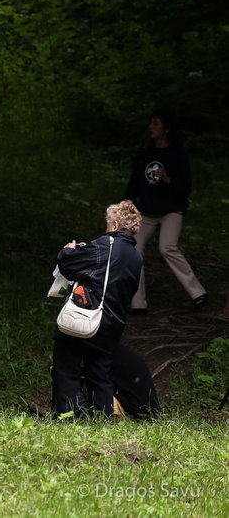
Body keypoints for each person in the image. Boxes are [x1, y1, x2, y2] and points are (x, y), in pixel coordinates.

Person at [51, 201, 143, 418]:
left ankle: (64, 419)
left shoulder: (106, 244)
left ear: (114, 224)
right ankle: (103, 422)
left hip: (86, 316)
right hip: (113, 324)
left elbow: (69, 265)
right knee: (100, 376)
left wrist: (69, 250)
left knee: (65, 369)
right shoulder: (136, 257)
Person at [125, 108, 207, 313]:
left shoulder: (177, 155)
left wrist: (168, 180)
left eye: (156, 124)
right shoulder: (145, 153)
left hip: (171, 210)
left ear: (167, 129)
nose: (151, 127)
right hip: (146, 212)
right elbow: (133, 183)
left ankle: (198, 293)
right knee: (134, 250)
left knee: (167, 247)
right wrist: (127, 206)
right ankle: (137, 303)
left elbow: (185, 188)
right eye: (151, 123)